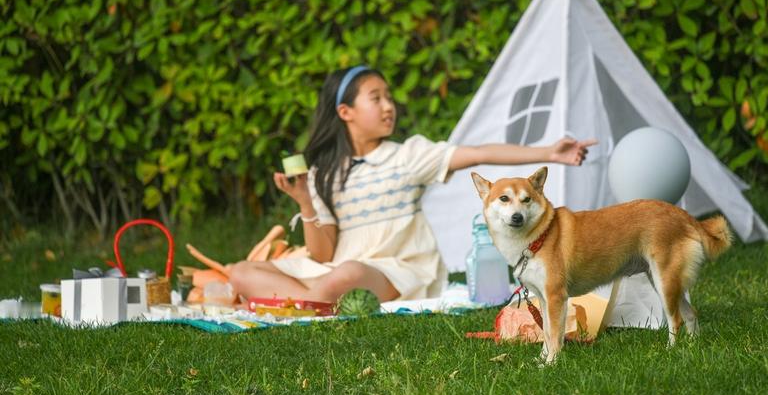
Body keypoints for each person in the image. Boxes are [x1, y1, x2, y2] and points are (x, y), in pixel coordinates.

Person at [229, 66, 596, 303]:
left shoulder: (408, 156)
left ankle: (292, 301)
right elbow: (323, 255)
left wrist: (549, 152)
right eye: (376, 98)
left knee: (349, 273)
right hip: (335, 270)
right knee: (241, 272)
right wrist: (305, 203)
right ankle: (312, 301)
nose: (388, 106)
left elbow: (478, 153)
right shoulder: (323, 174)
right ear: (345, 112)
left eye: (389, 97)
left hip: (396, 270)